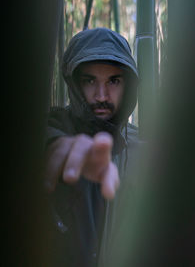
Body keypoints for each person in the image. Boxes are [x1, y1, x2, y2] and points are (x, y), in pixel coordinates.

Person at [45, 27, 139, 267]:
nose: (101, 95)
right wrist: (53, 146)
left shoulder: (143, 150)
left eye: (113, 81)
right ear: (75, 84)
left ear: (128, 85)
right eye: (90, 81)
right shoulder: (55, 128)